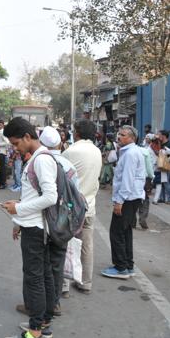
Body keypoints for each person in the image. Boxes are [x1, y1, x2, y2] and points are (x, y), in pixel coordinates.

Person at [2, 117, 59, 338]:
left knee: (35, 278)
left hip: (36, 229)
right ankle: (43, 322)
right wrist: (18, 220)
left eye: (16, 143)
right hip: (33, 226)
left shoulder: (41, 160)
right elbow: (32, 195)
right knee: (43, 275)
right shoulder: (38, 158)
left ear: (27, 136)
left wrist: (18, 209)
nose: (15, 148)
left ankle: (34, 332)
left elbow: (50, 197)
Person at [37, 126, 77, 311]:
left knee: (41, 263)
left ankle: (43, 304)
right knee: (57, 262)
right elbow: (75, 194)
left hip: (43, 219)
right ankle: (55, 303)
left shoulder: (39, 162)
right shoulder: (69, 166)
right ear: (60, 143)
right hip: (64, 220)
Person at [61, 119, 102, 296]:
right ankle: (86, 282)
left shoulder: (71, 151)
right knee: (87, 245)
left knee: (64, 243)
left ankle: (63, 285)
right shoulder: (97, 151)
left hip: (71, 207)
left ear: (77, 133)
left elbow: (61, 178)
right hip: (89, 205)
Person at [101, 125, 146, 280]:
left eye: (123, 135)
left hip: (127, 199)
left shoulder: (131, 154)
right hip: (132, 197)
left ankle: (121, 267)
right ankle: (127, 265)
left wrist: (119, 201)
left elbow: (127, 180)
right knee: (125, 232)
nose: (119, 137)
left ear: (132, 138)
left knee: (117, 232)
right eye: (119, 134)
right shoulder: (129, 152)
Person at [0, 120, 10, 189]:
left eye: (0, 124)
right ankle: (0, 182)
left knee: (2, 168)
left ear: (3, 125)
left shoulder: (3, 132)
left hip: (1, 152)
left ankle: (3, 183)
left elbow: (7, 142)